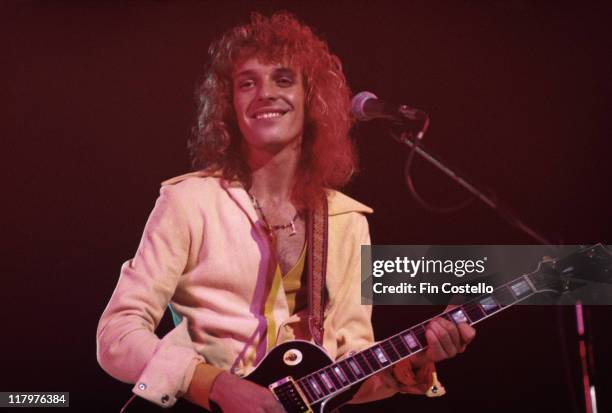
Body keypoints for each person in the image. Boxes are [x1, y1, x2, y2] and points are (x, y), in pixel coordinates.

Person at [96, 12, 475, 412]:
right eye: (247, 83)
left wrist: (407, 365)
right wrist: (215, 385)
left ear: (311, 99)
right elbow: (117, 334)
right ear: (230, 104)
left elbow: (348, 373)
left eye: (283, 79)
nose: (265, 94)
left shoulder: (347, 221)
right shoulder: (189, 202)